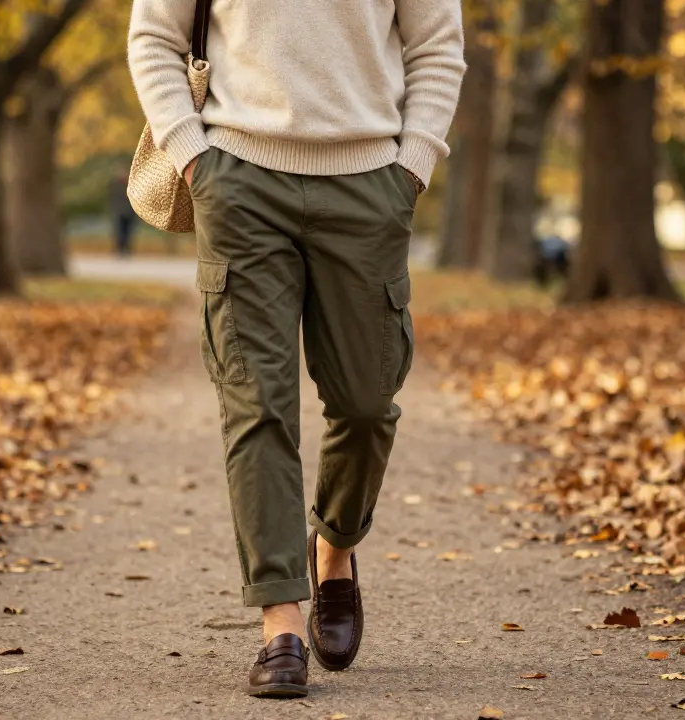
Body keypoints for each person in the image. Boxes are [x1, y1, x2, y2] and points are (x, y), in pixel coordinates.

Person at [129, 0, 464, 699]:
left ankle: (332, 547)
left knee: (368, 402)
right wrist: (193, 158)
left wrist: (412, 168)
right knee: (258, 404)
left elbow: (436, 48)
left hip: (371, 185)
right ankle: (280, 620)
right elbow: (154, 39)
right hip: (239, 180)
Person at [108, 166, 137, 258]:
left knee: (128, 232)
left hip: (128, 212)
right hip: (119, 212)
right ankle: (120, 249)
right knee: (120, 232)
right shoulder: (115, 185)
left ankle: (126, 249)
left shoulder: (130, 185)